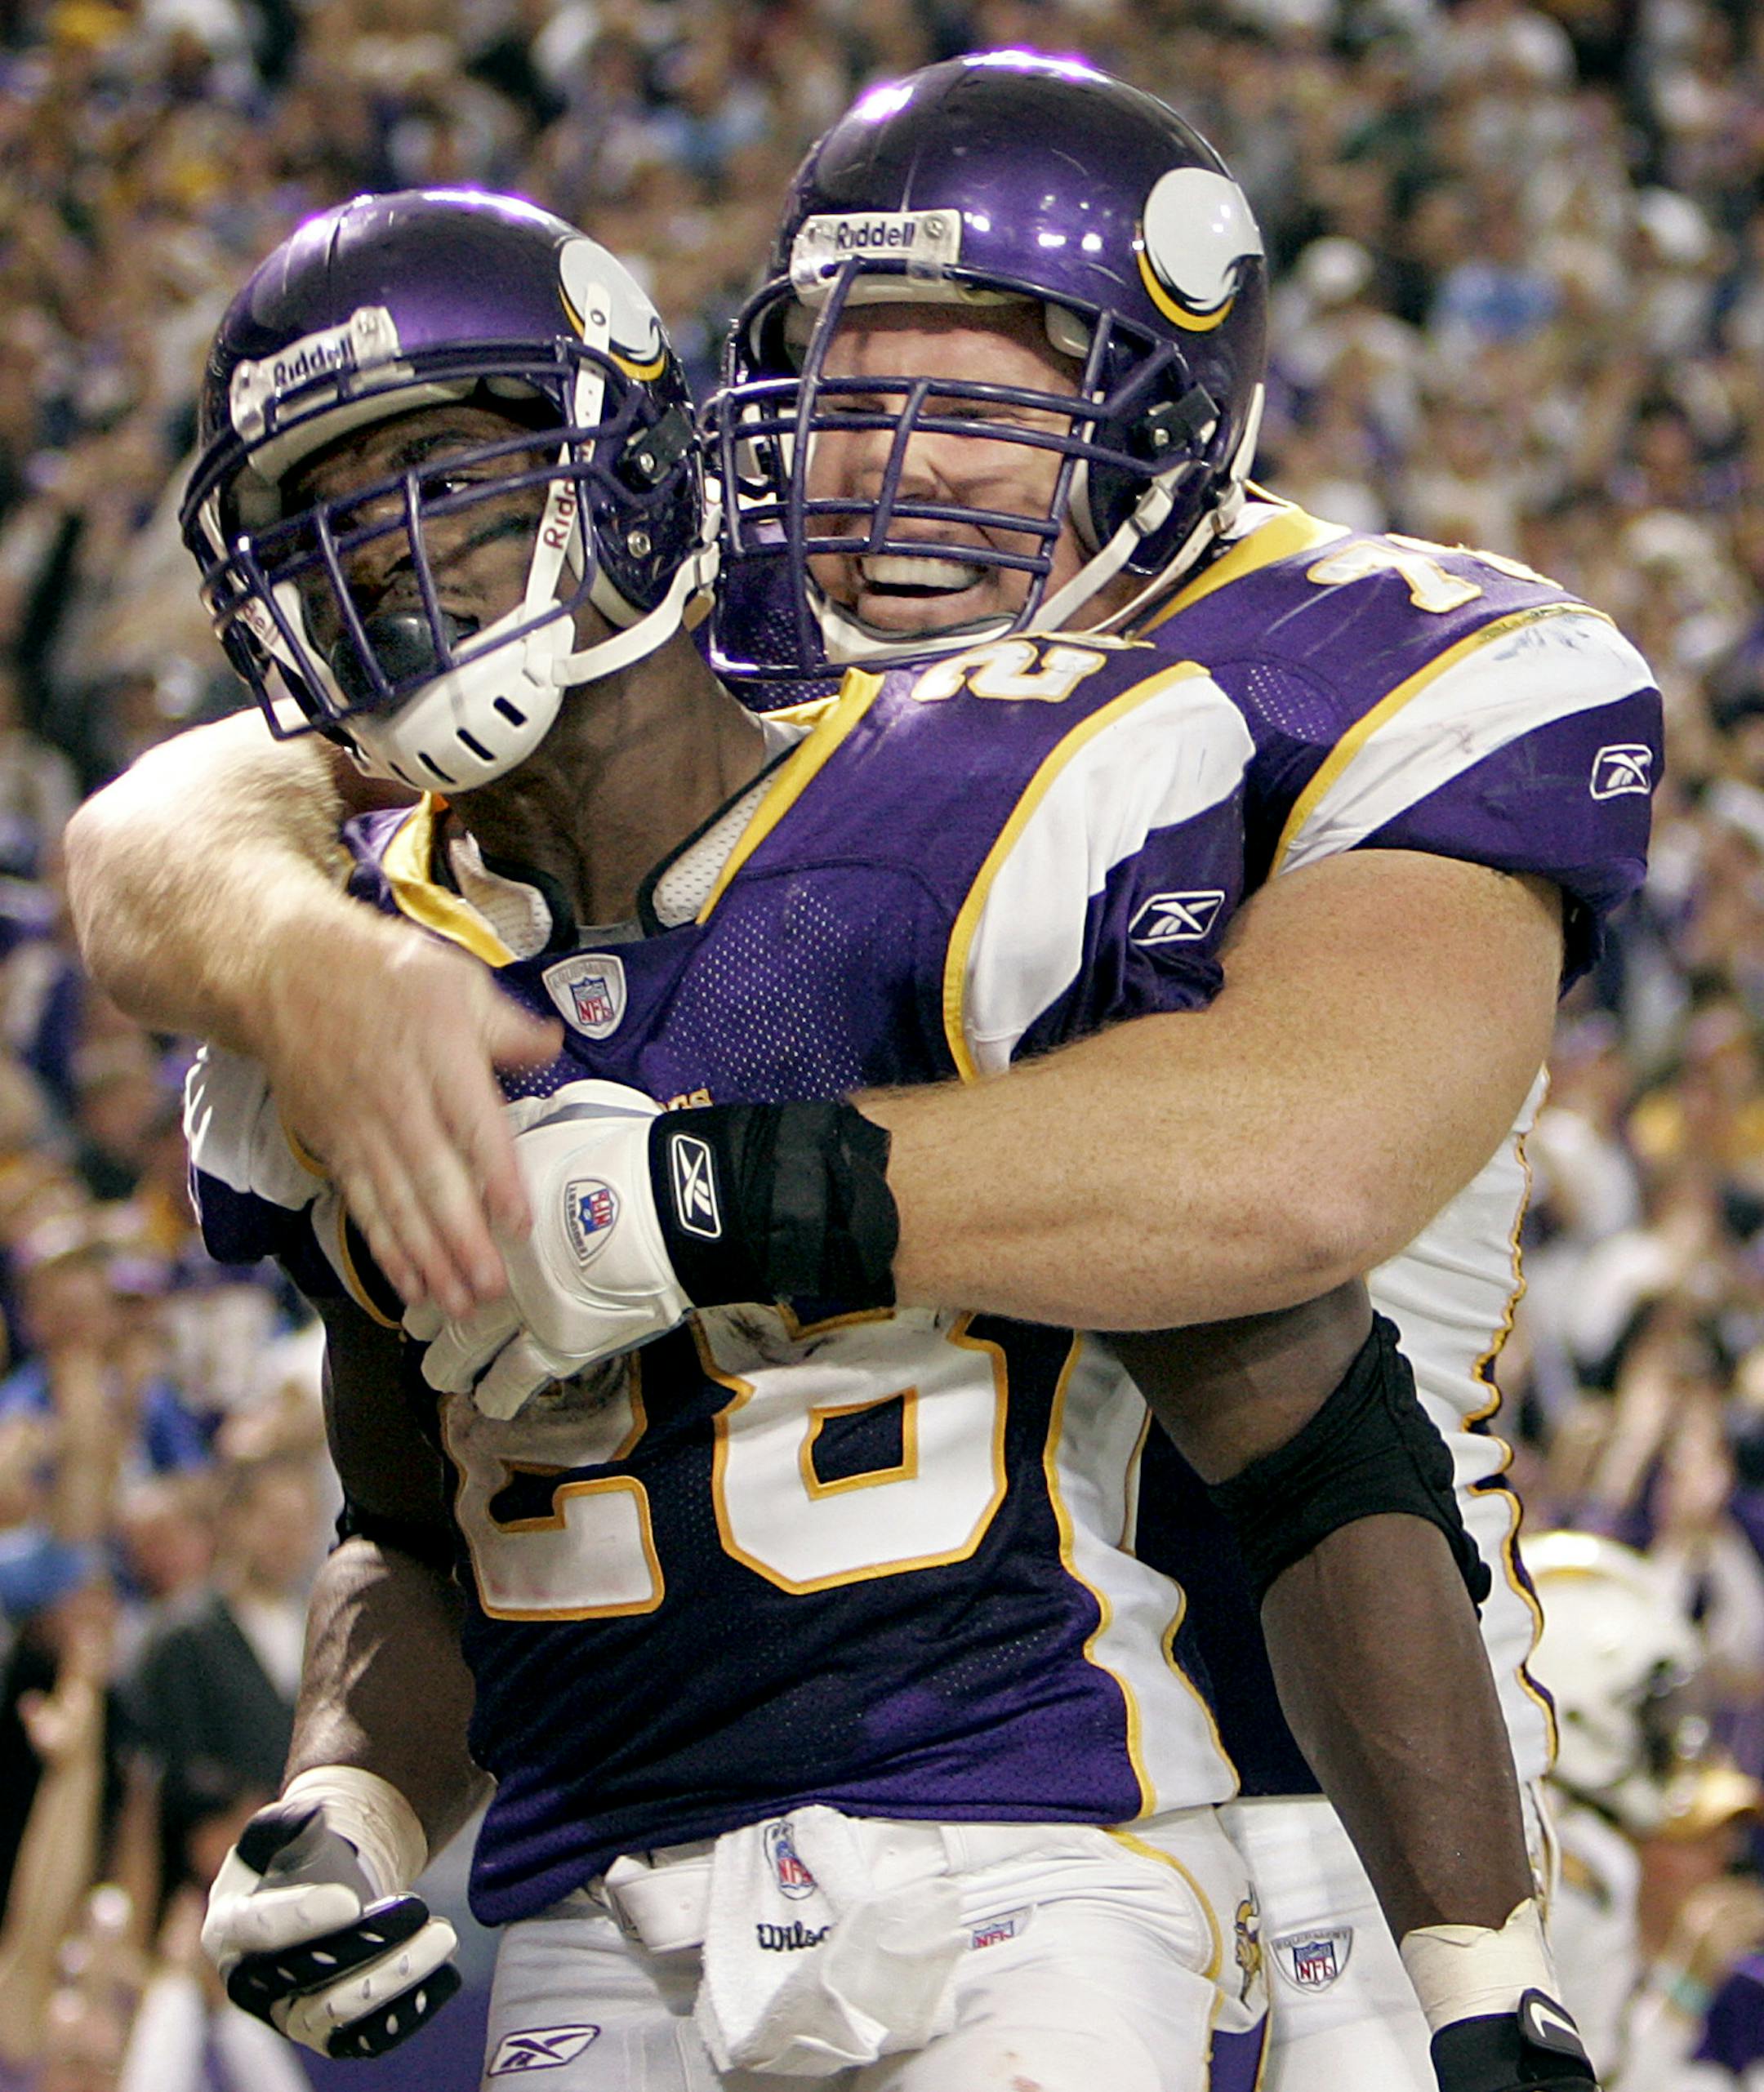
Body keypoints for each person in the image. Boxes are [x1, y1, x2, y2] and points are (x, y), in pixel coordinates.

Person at [67, 186, 1600, 2092]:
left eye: (453, 497)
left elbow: (1289, 1312)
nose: (401, 580)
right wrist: (349, 1808)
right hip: (591, 1891)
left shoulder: (1012, 801)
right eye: (332, 543)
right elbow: (413, 1522)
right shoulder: (350, 955)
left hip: (1030, 1849)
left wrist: (1475, 1967)